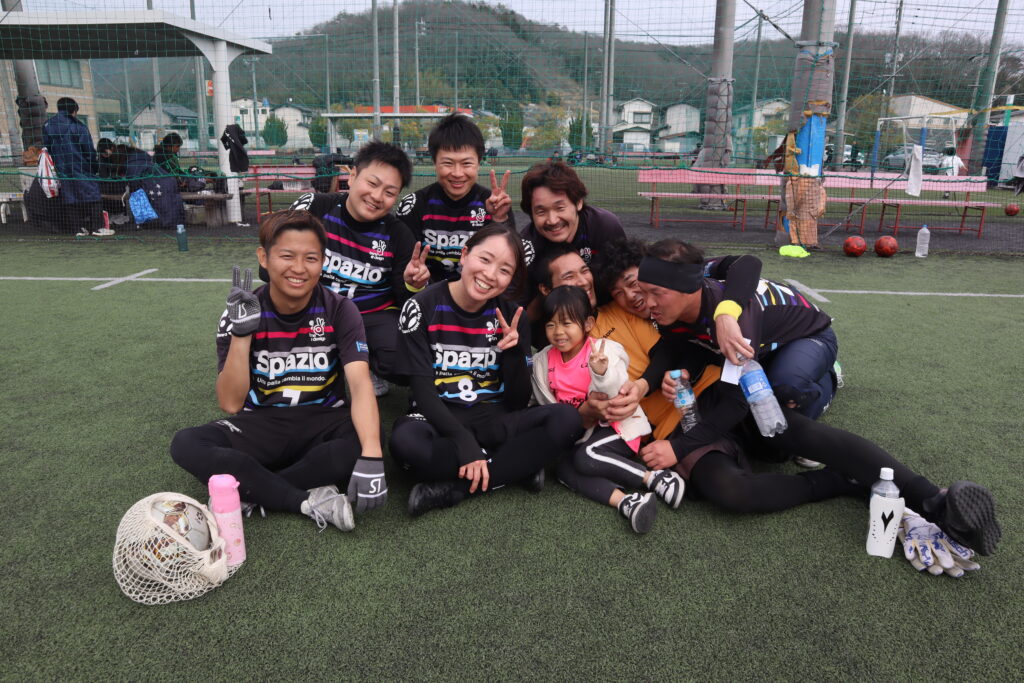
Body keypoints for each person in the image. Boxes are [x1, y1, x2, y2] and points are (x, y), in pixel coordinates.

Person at [629, 242, 1001, 556]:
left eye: (656, 293)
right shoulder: (681, 294)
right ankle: (847, 477)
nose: (647, 303)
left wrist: (679, 448)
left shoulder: (734, 320)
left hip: (807, 338)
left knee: (782, 401)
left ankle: (935, 500)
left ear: (687, 288)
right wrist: (646, 384)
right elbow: (674, 344)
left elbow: (734, 401)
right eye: (643, 292)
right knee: (771, 438)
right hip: (763, 350)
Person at [170, 210, 387, 532]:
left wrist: (371, 453)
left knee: (368, 441)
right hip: (262, 422)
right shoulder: (241, 311)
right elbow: (230, 403)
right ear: (264, 257)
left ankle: (253, 489)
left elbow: (359, 383)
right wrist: (241, 335)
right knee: (186, 443)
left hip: (323, 419)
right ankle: (303, 499)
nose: (299, 268)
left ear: (323, 262)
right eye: (287, 256)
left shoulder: (341, 309)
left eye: (311, 258)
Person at [389, 224, 584, 516]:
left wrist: (514, 352)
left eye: (504, 270)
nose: (491, 274)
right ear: (465, 255)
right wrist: (463, 442)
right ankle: (516, 466)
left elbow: (517, 401)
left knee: (567, 419)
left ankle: (457, 489)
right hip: (438, 417)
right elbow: (422, 392)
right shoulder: (421, 306)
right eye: (485, 259)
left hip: (494, 417)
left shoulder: (513, 316)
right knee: (406, 444)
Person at [530, 285, 685, 534]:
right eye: (551, 325)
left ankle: (655, 478)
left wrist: (601, 372)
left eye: (567, 323)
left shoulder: (604, 351)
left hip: (617, 426)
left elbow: (615, 391)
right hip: (583, 435)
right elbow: (541, 401)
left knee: (586, 457)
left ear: (588, 324)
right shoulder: (543, 360)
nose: (558, 332)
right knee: (564, 469)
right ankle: (627, 502)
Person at [288, 141, 423, 396]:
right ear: (352, 176)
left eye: (389, 192)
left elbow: (406, 302)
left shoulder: (398, 234)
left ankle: (367, 361)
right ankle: (336, 362)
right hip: (315, 309)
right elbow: (271, 270)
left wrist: (413, 285)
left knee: (403, 361)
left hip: (372, 315)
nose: (377, 196)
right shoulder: (315, 208)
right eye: (372, 183)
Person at [396, 113, 514, 283]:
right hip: (427, 293)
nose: (457, 173)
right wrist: (417, 283)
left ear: (479, 163)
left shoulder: (494, 204)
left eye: (466, 163)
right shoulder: (415, 205)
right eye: (448, 163)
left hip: (477, 291)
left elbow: (507, 262)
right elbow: (403, 268)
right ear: (434, 162)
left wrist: (499, 219)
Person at [41, 97, 113, 236]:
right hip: (81, 166)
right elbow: (88, 150)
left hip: (62, 168)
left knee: (69, 196)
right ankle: (98, 228)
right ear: (74, 110)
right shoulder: (78, 126)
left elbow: (47, 147)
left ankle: (77, 229)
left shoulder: (47, 125)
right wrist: (93, 166)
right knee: (93, 194)